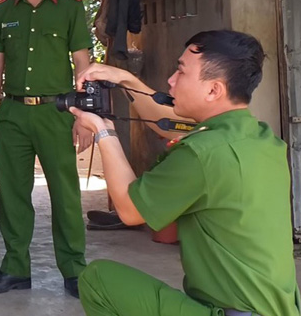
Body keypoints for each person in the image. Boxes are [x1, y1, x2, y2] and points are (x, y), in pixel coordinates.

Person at [71, 30, 301, 316]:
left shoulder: (202, 152)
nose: (170, 80)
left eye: (180, 71)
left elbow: (130, 211)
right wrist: (126, 79)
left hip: (232, 312)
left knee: (98, 280)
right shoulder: (261, 137)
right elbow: (166, 123)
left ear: (213, 90)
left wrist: (104, 132)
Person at [0, 0, 92, 298]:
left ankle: (75, 270)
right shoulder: (3, 11)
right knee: (12, 195)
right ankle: (15, 268)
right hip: (12, 114)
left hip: (56, 112)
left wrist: (82, 116)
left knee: (65, 194)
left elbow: (83, 65)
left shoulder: (71, 9)